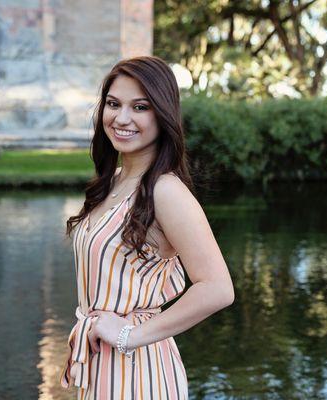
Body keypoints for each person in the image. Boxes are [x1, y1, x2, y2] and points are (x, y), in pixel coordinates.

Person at [60, 56, 235, 399]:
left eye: (140, 107)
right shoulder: (113, 180)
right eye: (113, 104)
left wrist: (129, 335)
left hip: (138, 370)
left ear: (162, 113)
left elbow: (217, 288)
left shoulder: (165, 191)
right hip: (102, 362)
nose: (122, 118)